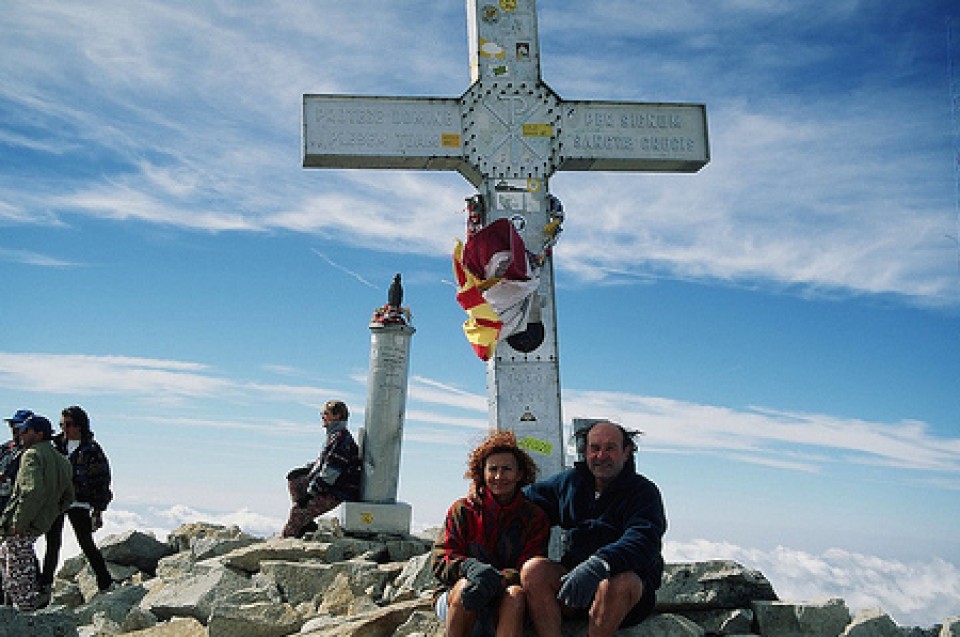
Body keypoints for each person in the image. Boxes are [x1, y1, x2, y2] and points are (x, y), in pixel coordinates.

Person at [521, 421, 667, 637]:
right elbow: (524, 502)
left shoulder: (643, 492)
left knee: (621, 582)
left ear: (626, 453)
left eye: (610, 448)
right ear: (584, 451)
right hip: (575, 588)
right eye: (595, 448)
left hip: (624, 597)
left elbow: (644, 538)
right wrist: (482, 495)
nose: (601, 456)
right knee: (535, 571)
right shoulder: (571, 483)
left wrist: (600, 564)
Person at [432, 430, 550, 637]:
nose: (498, 476)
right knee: (463, 588)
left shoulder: (534, 517)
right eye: (492, 469)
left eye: (507, 469)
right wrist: (469, 568)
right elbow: (441, 558)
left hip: (504, 597)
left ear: (520, 474)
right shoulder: (463, 510)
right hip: (458, 597)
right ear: (482, 473)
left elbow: (530, 569)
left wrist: (495, 580)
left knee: (516, 595)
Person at [0, 415, 74, 611]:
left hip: (22, 527)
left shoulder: (31, 454)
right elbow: (68, 497)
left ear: (39, 434)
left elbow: (32, 491)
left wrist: (19, 523)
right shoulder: (62, 459)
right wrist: (48, 515)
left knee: (18, 577)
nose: (20, 434)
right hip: (39, 524)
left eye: (25, 431)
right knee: (9, 564)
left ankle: (24, 620)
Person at [40, 406, 114, 595]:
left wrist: (98, 510)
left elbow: (101, 479)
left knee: (85, 542)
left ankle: (105, 581)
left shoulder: (91, 449)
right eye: (62, 425)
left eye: (69, 424)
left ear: (80, 425)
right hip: (56, 500)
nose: (65, 428)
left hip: (79, 501)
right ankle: (45, 584)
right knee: (52, 543)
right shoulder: (55, 445)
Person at [281, 400, 362, 538]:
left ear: (336, 416)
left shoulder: (341, 440)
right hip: (332, 484)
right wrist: (307, 469)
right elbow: (325, 462)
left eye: (325, 413)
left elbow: (330, 472)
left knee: (298, 511)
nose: (322, 417)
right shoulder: (335, 436)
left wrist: (310, 494)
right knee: (296, 481)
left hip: (339, 490)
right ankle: (306, 524)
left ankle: (287, 538)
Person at [1, 410, 33, 515]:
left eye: (19, 426)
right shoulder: (6, 448)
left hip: (20, 502)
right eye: (12, 425)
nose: (14, 430)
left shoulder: (35, 451)